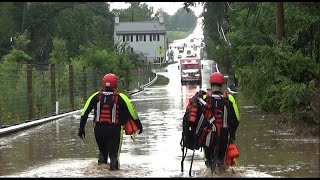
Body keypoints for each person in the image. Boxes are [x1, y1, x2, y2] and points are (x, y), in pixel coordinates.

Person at [78, 73, 143, 171]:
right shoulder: (122, 97)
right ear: (116, 84)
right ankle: (114, 173)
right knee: (114, 155)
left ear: (103, 83)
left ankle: (101, 172)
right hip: (114, 130)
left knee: (102, 151)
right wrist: (139, 125)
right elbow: (133, 113)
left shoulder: (95, 96)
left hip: (98, 130)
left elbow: (84, 113)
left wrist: (81, 128)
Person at [199, 72, 240, 174]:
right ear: (222, 84)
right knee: (221, 163)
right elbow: (237, 119)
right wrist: (232, 134)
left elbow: (199, 119)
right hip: (223, 135)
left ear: (211, 83)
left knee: (209, 164)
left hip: (207, 136)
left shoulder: (204, 98)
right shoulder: (229, 98)